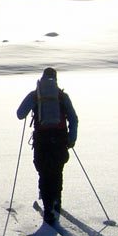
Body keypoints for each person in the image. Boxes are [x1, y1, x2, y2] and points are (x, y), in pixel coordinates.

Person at [16, 67, 78, 225]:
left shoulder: (36, 95)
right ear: (56, 79)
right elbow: (73, 118)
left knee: (44, 173)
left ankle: (48, 206)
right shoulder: (62, 96)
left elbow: (20, 114)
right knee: (57, 172)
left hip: (42, 140)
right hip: (59, 140)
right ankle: (56, 203)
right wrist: (71, 139)